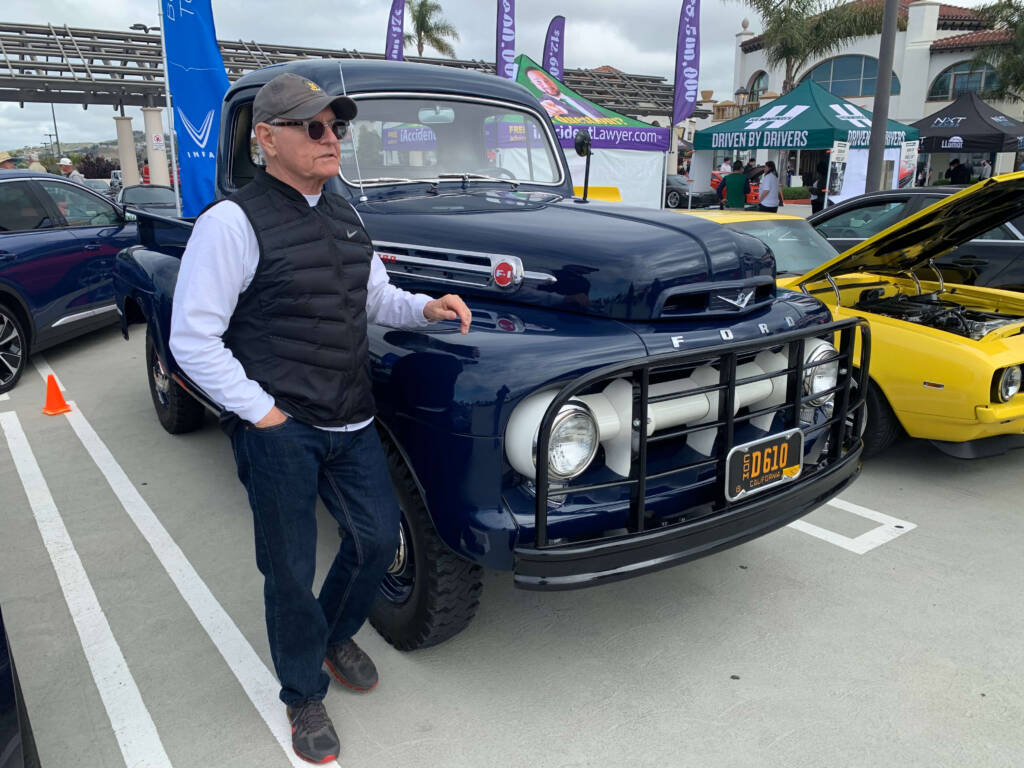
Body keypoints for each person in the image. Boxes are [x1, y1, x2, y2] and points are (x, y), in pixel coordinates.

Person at [169, 72, 472, 764]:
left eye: (337, 126)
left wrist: (425, 306)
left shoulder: (343, 212)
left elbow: (374, 298)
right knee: (288, 570)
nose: (331, 138)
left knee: (375, 540)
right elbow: (193, 339)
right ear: (266, 139)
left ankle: (335, 633)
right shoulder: (232, 223)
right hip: (282, 428)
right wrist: (263, 414)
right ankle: (303, 694)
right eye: (314, 127)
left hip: (351, 418)